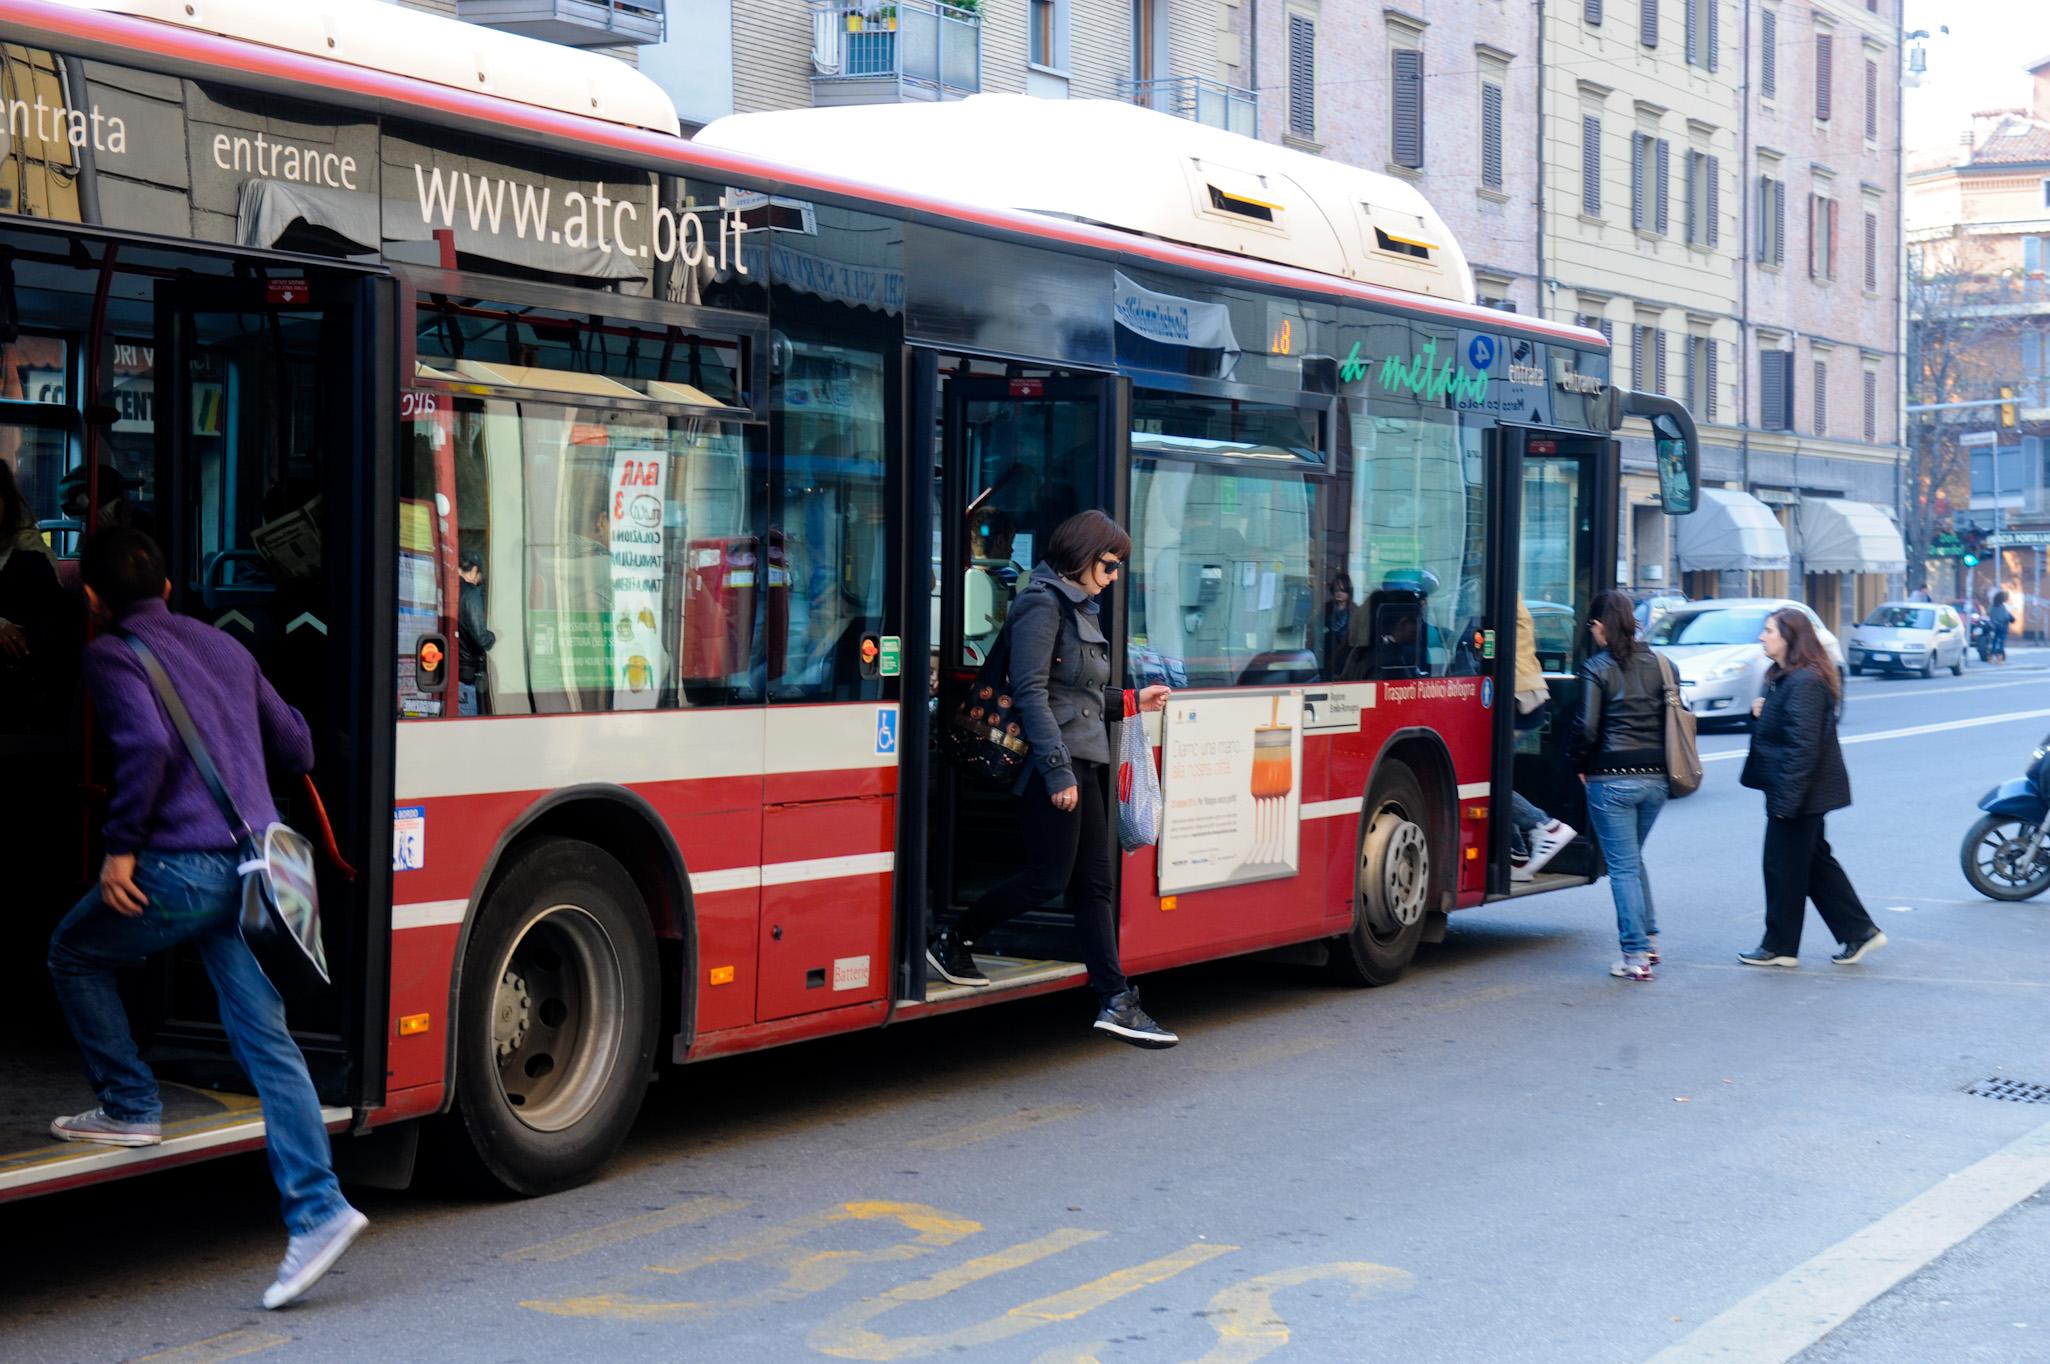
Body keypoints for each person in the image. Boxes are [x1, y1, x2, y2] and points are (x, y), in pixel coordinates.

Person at [46, 528, 368, 1309]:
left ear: (93, 599)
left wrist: (120, 850)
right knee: (266, 1038)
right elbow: (295, 744)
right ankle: (319, 1208)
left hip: (180, 867)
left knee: (74, 955)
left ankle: (130, 1104)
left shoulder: (111, 654)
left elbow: (149, 744)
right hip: (255, 869)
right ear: (167, 587)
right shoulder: (222, 645)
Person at [926, 510, 1177, 1047]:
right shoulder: (1040, 604)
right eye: (1109, 565)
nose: (1112, 577)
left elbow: (1078, 698)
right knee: (1049, 878)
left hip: (1083, 762)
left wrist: (1131, 700)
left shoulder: (1079, 607)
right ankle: (953, 937)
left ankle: (1117, 1001)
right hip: (1052, 767)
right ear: (1084, 556)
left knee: (1096, 886)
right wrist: (1057, 771)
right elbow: (1032, 694)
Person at [1737, 607, 1886, 968]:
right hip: (1802, 791)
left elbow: (1803, 748)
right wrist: (1764, 709)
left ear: (1789, 637)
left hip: (1801, 793)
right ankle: (1859, 932)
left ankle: (1780, 946)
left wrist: (1786, 803)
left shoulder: (1806, 682)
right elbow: (1787, 729)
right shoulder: (1789, 677)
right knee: (1814, 865)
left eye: (1768, 630)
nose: (1762, 636)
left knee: (1782, 867)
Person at [1569, 590, 1670, 981]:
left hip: (1610, 781)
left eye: (1592, 626)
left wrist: (1577, 763)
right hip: (1657, 782)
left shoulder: (1596, 667)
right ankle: (1651, 939)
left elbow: (1587, 727)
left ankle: (1635, 955)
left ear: (1600, 626)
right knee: (1633, 858)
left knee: (1623, 867)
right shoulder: (1664, 665)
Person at [1508, 595, 1574, 881]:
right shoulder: (1503, 594)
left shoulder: (1499, 594)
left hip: (1518, 700)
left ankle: (1546, 826)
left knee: (1487, 779)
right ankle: (1517, 856)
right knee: (1488, 777)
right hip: (1522, 698)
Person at [456, 549, 495, 716]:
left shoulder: (453, 588)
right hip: (466, 678)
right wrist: (492, 636)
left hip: (454, 674)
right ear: (473, 571)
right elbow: (481, 638)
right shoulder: (470, 594)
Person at [1988, 589, 2012, 664]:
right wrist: (2009, 617)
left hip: (1994, 626)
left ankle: (1990, 658)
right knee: (2001, 643)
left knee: (1994, 642)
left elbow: (1990, 616)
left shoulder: (1993, 606)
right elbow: (2005, 617)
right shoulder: (2002, 607)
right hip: (2002, 626)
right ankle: (1999, 659)